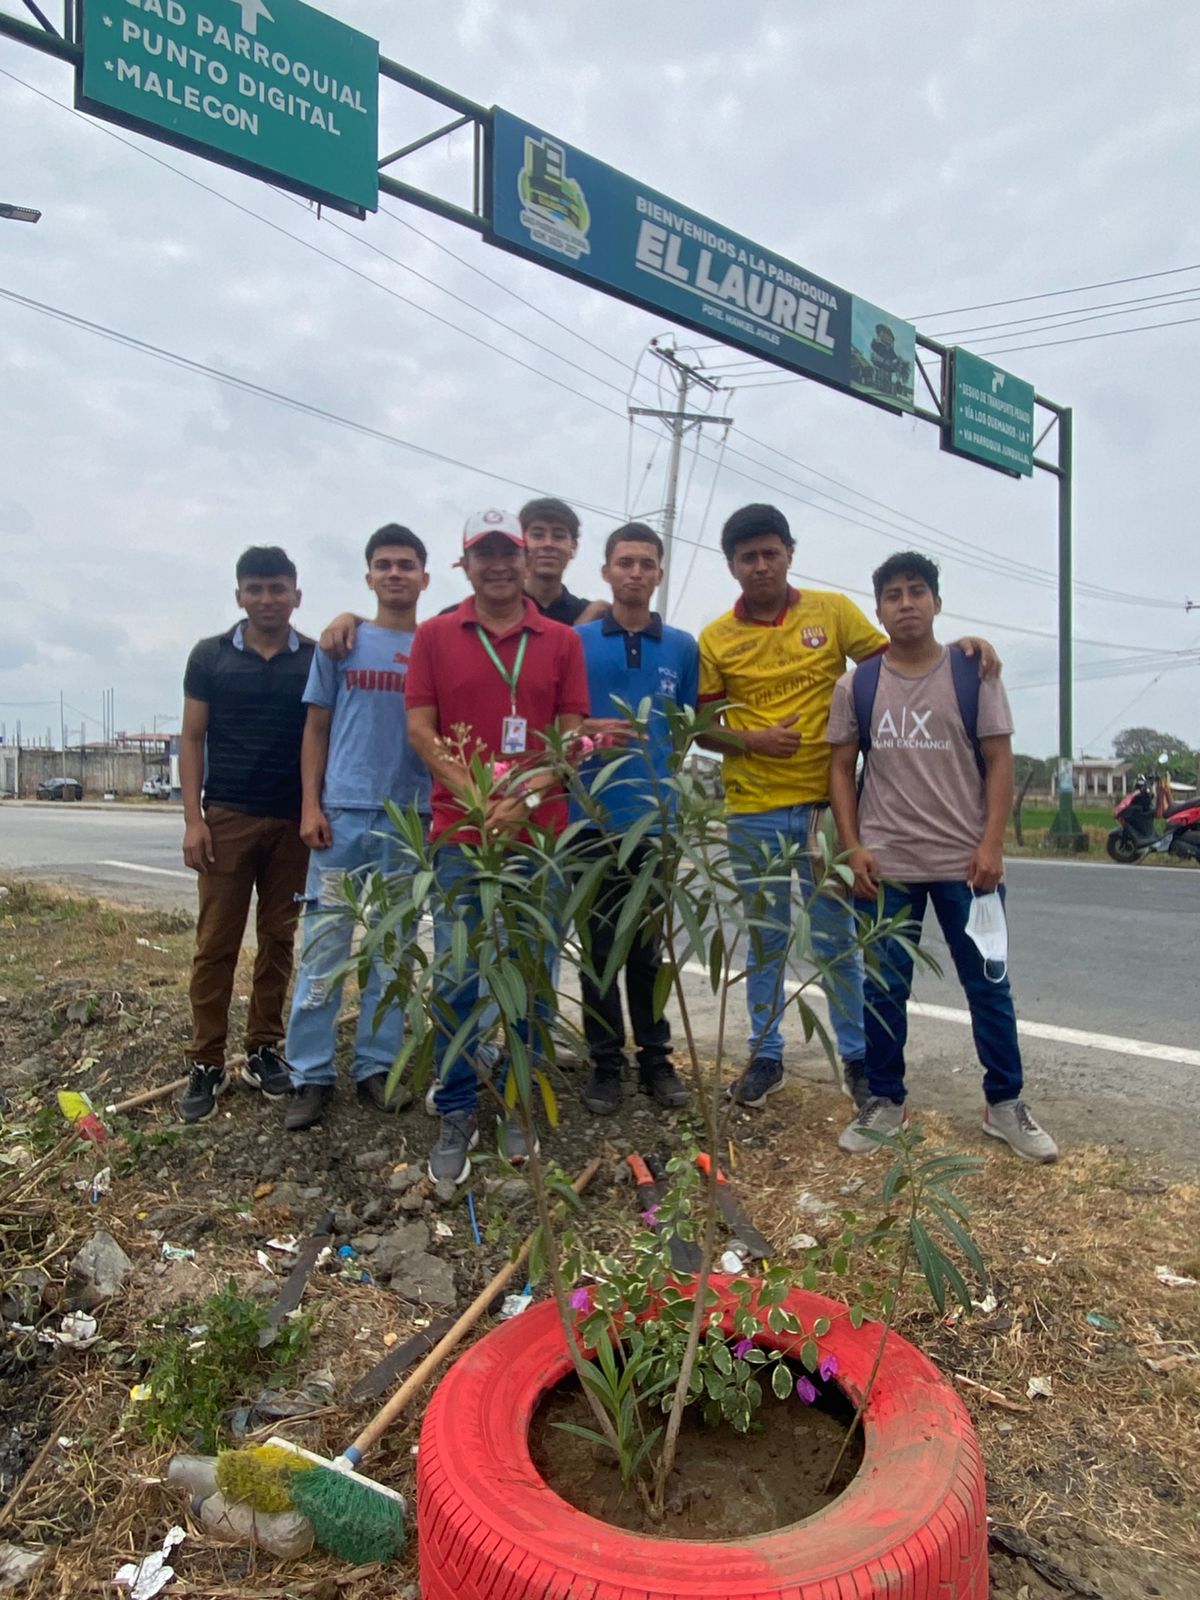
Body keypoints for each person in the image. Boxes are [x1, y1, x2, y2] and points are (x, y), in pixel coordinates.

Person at [696, 504, 998, 1111]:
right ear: (731, 566)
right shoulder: (715, 638)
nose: (761, 565)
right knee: (765, 940)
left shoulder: (831, 612)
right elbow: (703, 726)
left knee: (837, 939)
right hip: (752, 812)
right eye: (748, 557)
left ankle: (858, 1059)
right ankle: (765, 1056)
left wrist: (964, 646)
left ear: (790, 554)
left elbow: (904, 658)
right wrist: (752, 741)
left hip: (826, 815)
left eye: (771, 552)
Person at [826, 552, 1057, 1162]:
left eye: (917, 591)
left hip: (967, 866)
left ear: (936, 602)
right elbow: (841, 768)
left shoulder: (973, 673)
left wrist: (992, 845)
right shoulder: (857, 685)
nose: (906, 603)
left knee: (990, 986)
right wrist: (852, 847)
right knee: (883, 990)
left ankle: (1004, 1104)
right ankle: (885, 1101)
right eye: (893, 594)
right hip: (886, 866)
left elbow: (1000, 760)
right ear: (878, 610)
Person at [405, 510, 590, 1184]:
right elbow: (422, 731)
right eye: (483, 554)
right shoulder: (434, 635)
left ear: (525, 557)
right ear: (466, 565)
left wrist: (525, 799)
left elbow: (569, 739)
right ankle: (457, 1106)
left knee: (533, 975)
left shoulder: (561, 640)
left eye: (507, 551)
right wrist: (481, 798)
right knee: (459, 975)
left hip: (538, 837)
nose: (498, 565)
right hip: (462, 836)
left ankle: (519, 1101)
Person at [283, 525, 433, 1132]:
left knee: (393, 952)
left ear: (425, 577)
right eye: (384, 564)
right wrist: (310, 805)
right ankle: (310, 1073)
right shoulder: (341, 643)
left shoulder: (436, 647)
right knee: (324, 950)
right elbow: (316, 727)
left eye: (406, 564)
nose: (395, 573)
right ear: (368, 577)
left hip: (410, 822)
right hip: (342, 816)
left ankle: (377, 1065)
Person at [177, 546, 313, 1124]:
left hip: (292, 822)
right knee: (216, 944)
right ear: (239, 595)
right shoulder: (209, 656)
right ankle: (206, 1060)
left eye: (277, 588)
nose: (266, 599)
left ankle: (262, 1048)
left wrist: (313, 810)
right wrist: (193, 819)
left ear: (296, 595)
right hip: (227, 817)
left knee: (279, 939)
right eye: (255, 589)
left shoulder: (314, 659)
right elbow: (191, 739)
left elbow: (320, 735)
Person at [573, 523, 697, 1116]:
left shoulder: (682, 647)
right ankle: (605, 1063)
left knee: (647, 950)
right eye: (625, 562)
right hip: (589, 818)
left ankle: (655, 1057)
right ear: (606, 571)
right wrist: (589, 733)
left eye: (647, 563)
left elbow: (685, 728)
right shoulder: (574, 642)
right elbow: (557, 720)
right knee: (597, 949)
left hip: (656, 823)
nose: (636, 573)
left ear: (659, 573)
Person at [518, 495, 607, 625]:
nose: (548, 544)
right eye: (538, 535)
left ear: (573, 547)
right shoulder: (500, 609)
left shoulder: (591, 615)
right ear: (521, 542)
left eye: (558, 536)